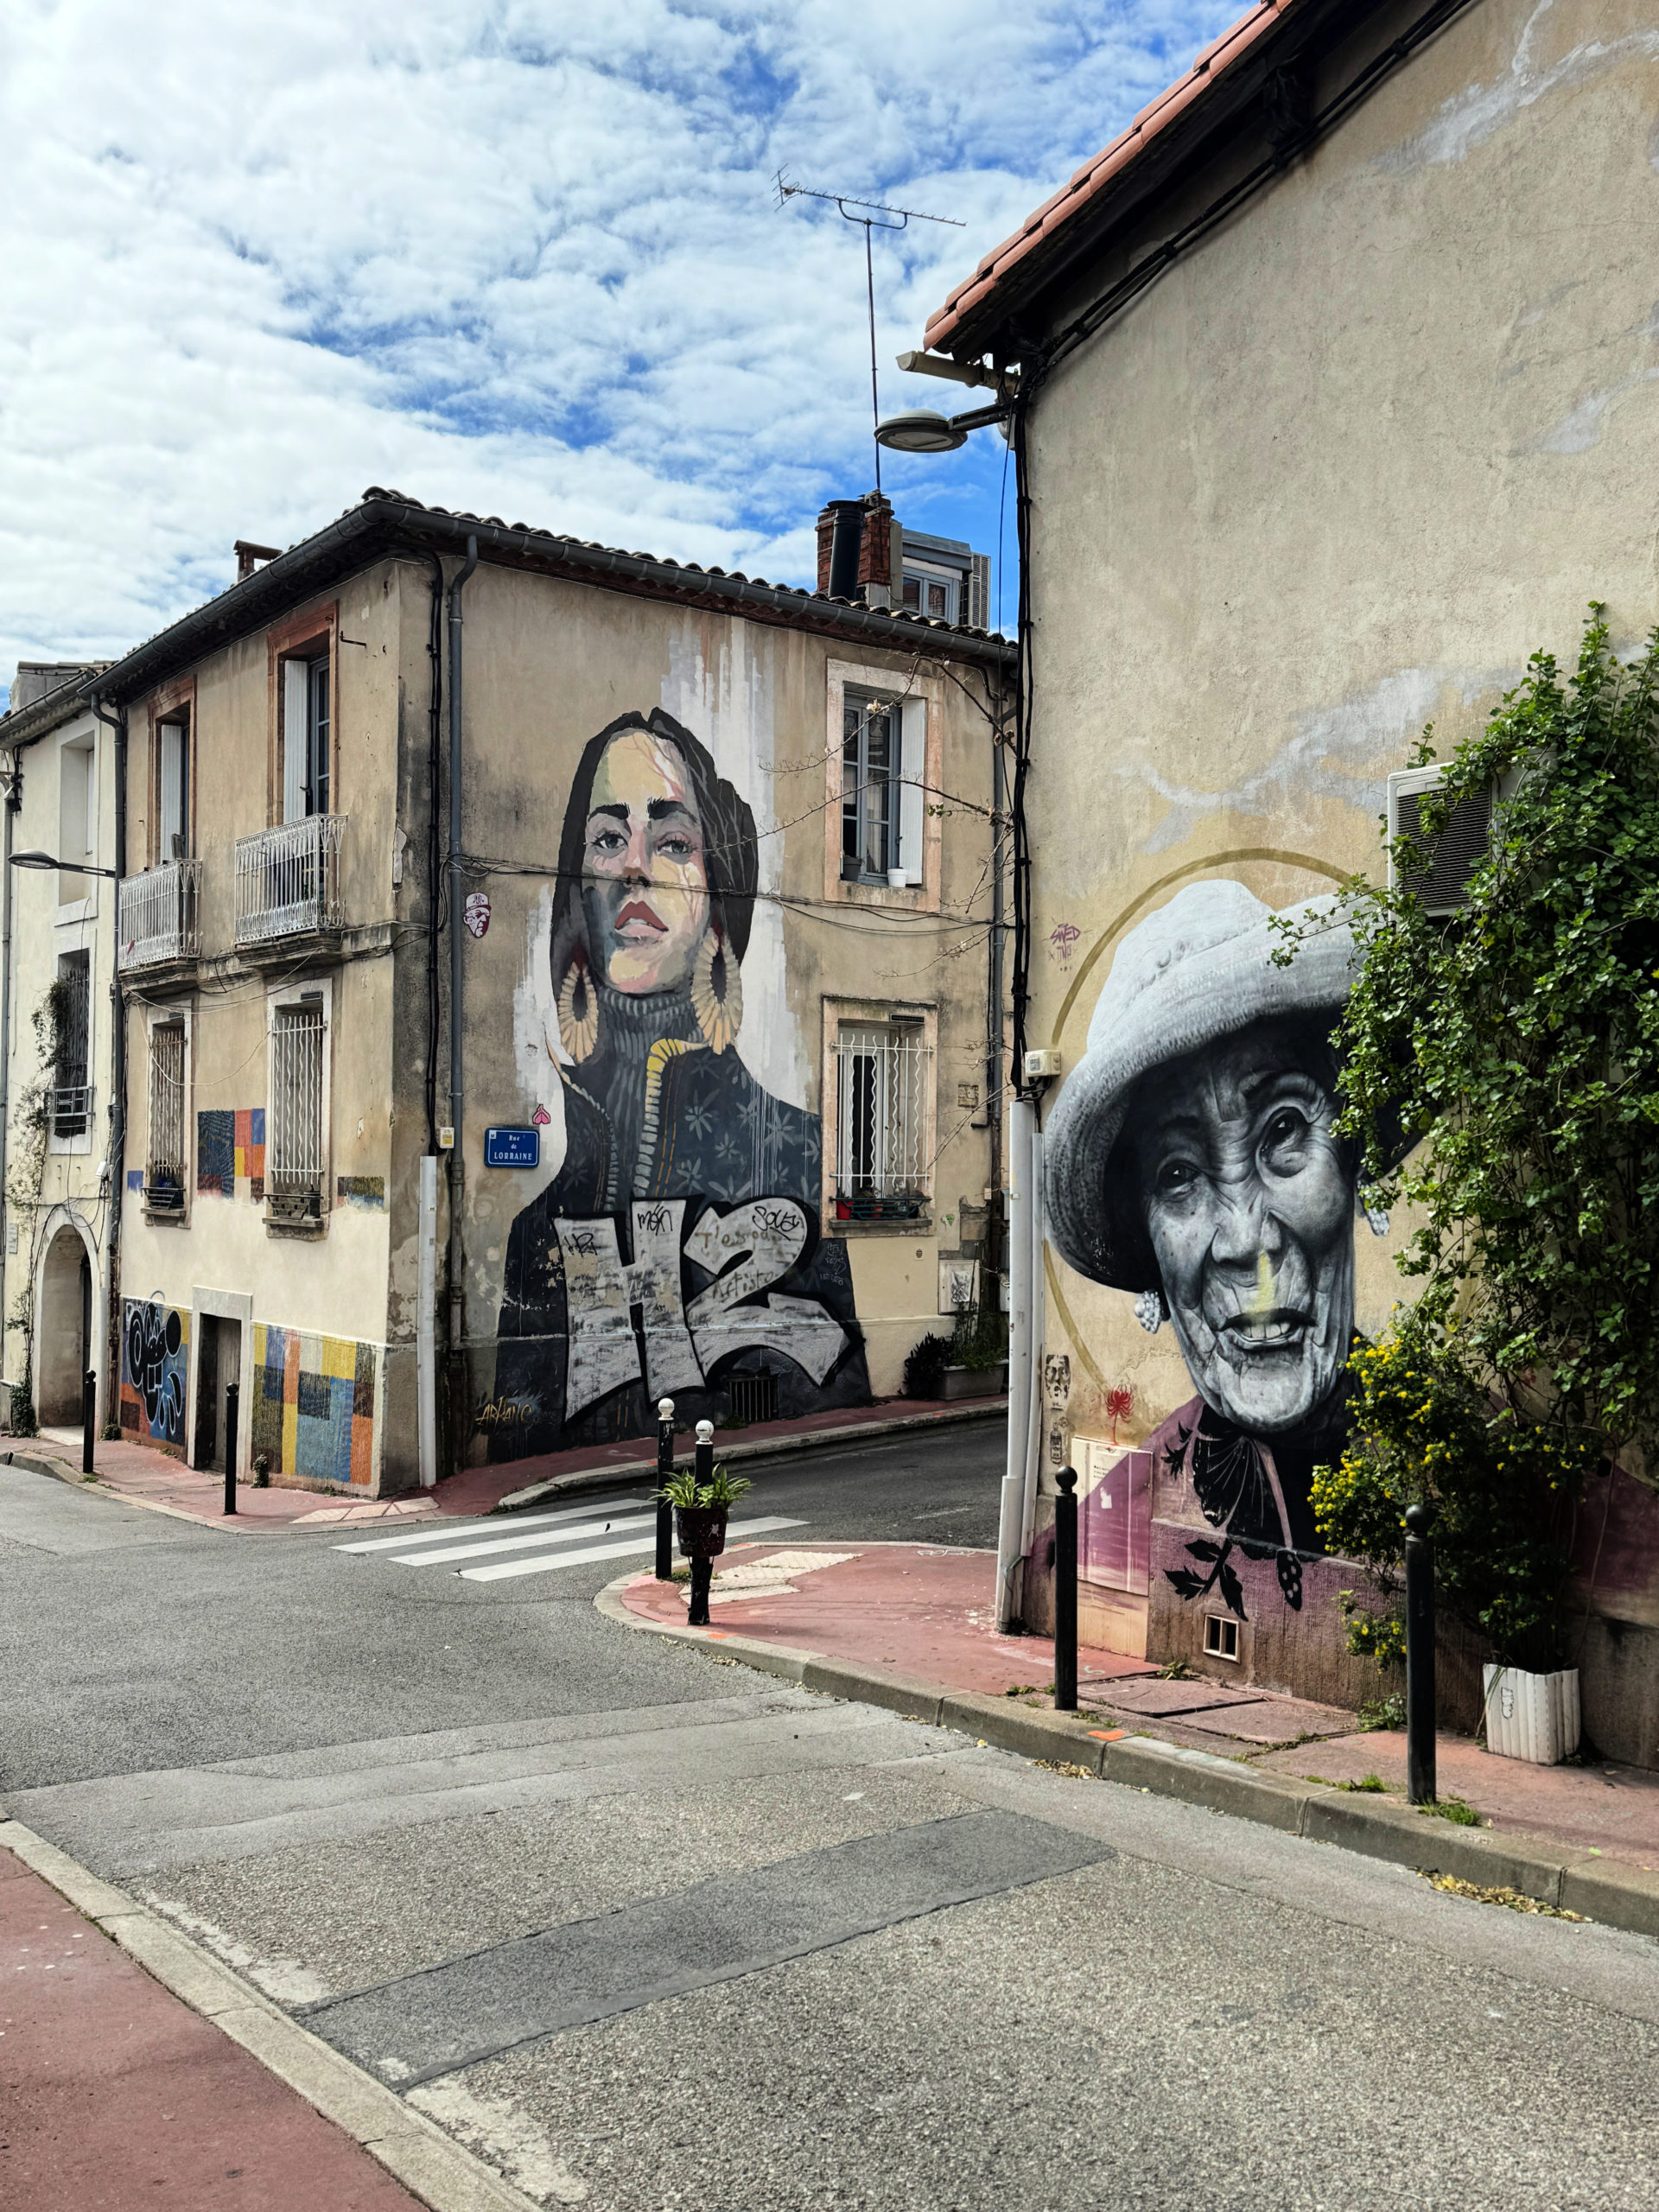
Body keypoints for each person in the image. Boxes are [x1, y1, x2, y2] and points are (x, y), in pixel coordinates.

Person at [488, 709, 868, 1457]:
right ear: (577, 897)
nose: (634, 866)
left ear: (718, 901)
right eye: (607, 838)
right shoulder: (534, 1234)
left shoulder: (796, 1155)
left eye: (671, 842)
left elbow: (833, 1393)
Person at [1046, 880, 1370, 1558]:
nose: (1247, 1240)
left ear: (1353, 1157)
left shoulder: (1483, 1474)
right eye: (1179, 1175)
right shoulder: (1099, 1546)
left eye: (1284, 1130)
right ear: (1148, 1246)